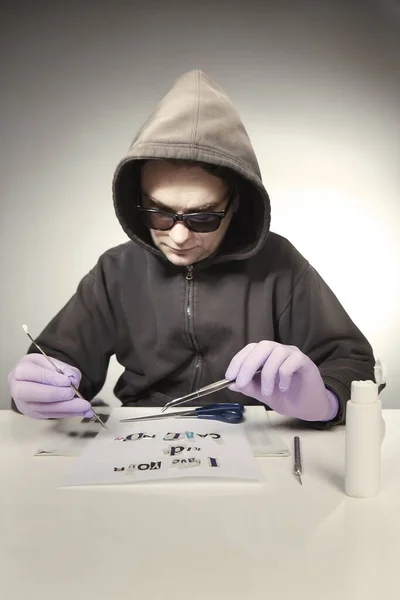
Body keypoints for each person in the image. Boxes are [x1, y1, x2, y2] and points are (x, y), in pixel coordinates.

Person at [8, 70, 378, 428]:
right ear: (135, 199)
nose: (180, 237)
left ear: (235, 204)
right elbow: (57, 366)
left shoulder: (279, 264)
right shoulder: (116, 270)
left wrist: (324, 399)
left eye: (202, 218)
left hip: (255, 442)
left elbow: (352, 364)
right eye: (159, 213)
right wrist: (38, 389)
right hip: (140, 443)